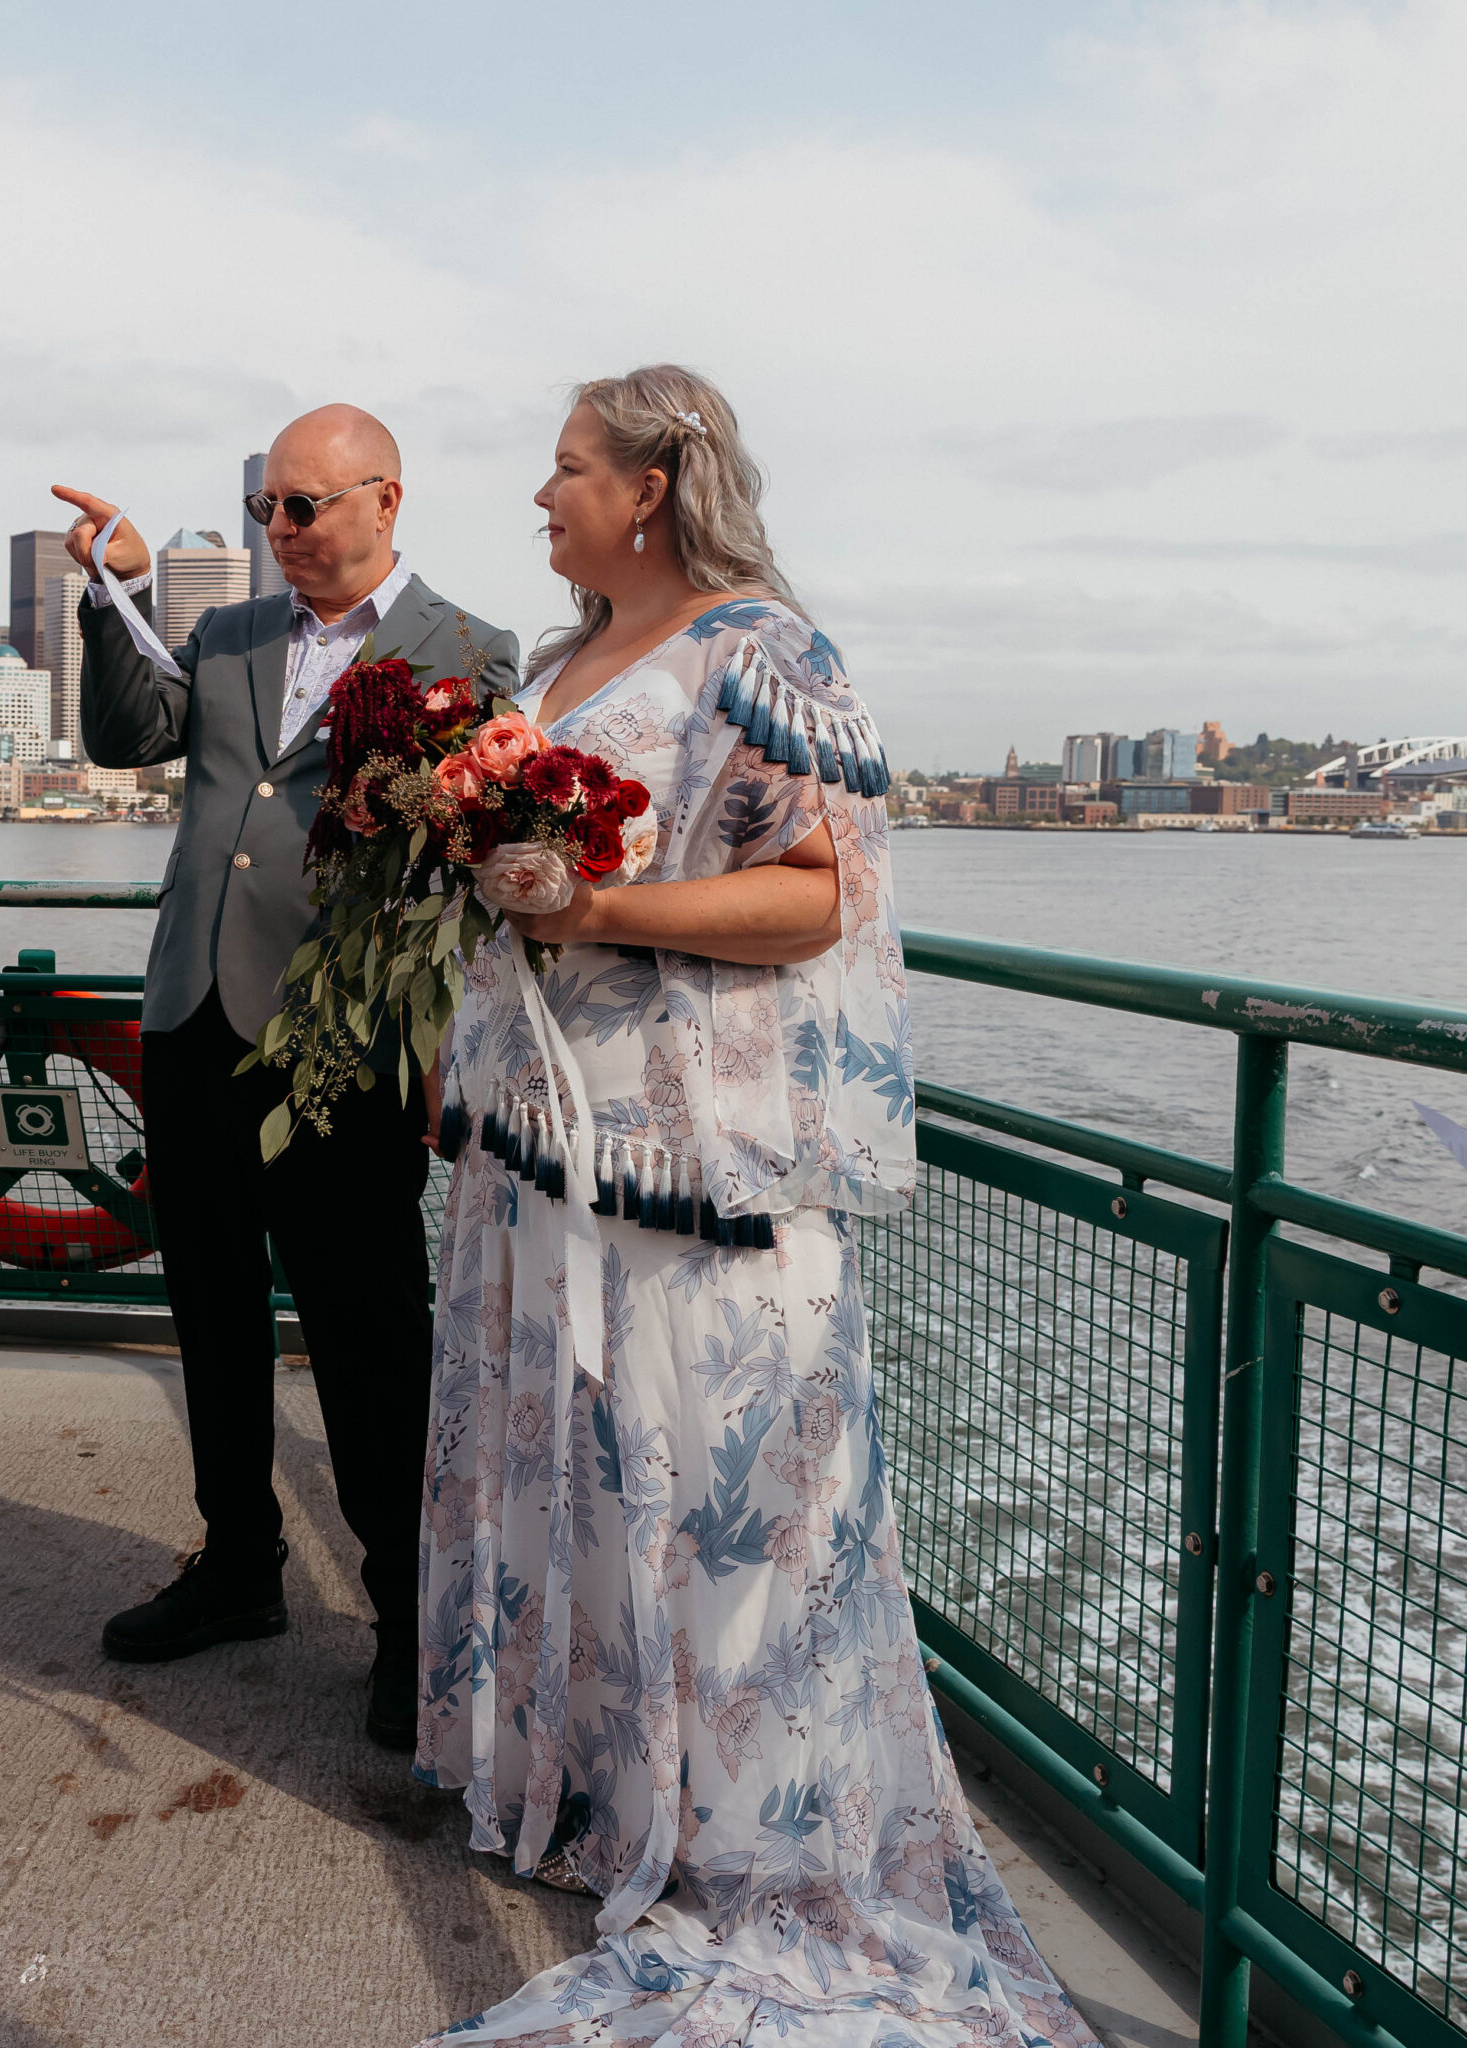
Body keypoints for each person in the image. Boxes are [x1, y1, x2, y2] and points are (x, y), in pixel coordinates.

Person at [413, 367, 1093, 2044]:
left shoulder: (769, 654)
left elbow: (817, 895)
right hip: (543, 1152)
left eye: (566, 467)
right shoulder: (554, 666)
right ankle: (612, 1800)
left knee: (719, 1503)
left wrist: (599, 906)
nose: (542, 494)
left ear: (652, 482)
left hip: (689, 1171)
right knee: (581, 1483)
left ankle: (761, 1846)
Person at [52, 404, 520, 1751]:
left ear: (385, 498)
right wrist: (117, 593)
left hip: (342, 1041)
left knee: (369, 1334)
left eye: (305, 507)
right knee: (208, 1309)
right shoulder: (231, 635)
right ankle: (238, 1565)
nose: (283, 531)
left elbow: (478, 869)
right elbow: (125, 736)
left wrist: (441, 1046)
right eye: (267, 508)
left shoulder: (470, 654)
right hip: (194, 1017)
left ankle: (406, 1615)